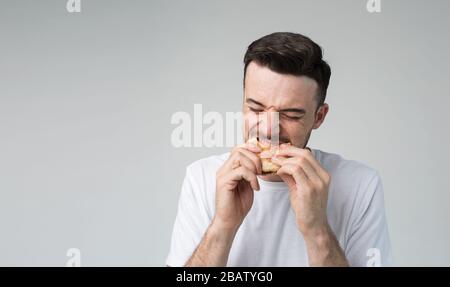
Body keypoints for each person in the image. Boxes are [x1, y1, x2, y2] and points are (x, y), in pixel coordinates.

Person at [166, 32, 393, 267]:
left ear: (319, 117)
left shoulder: (360, 185)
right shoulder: (202, 177)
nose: (269, 129)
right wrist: (223, 226)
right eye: (255, 108)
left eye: (291, 115)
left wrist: (317, 230)